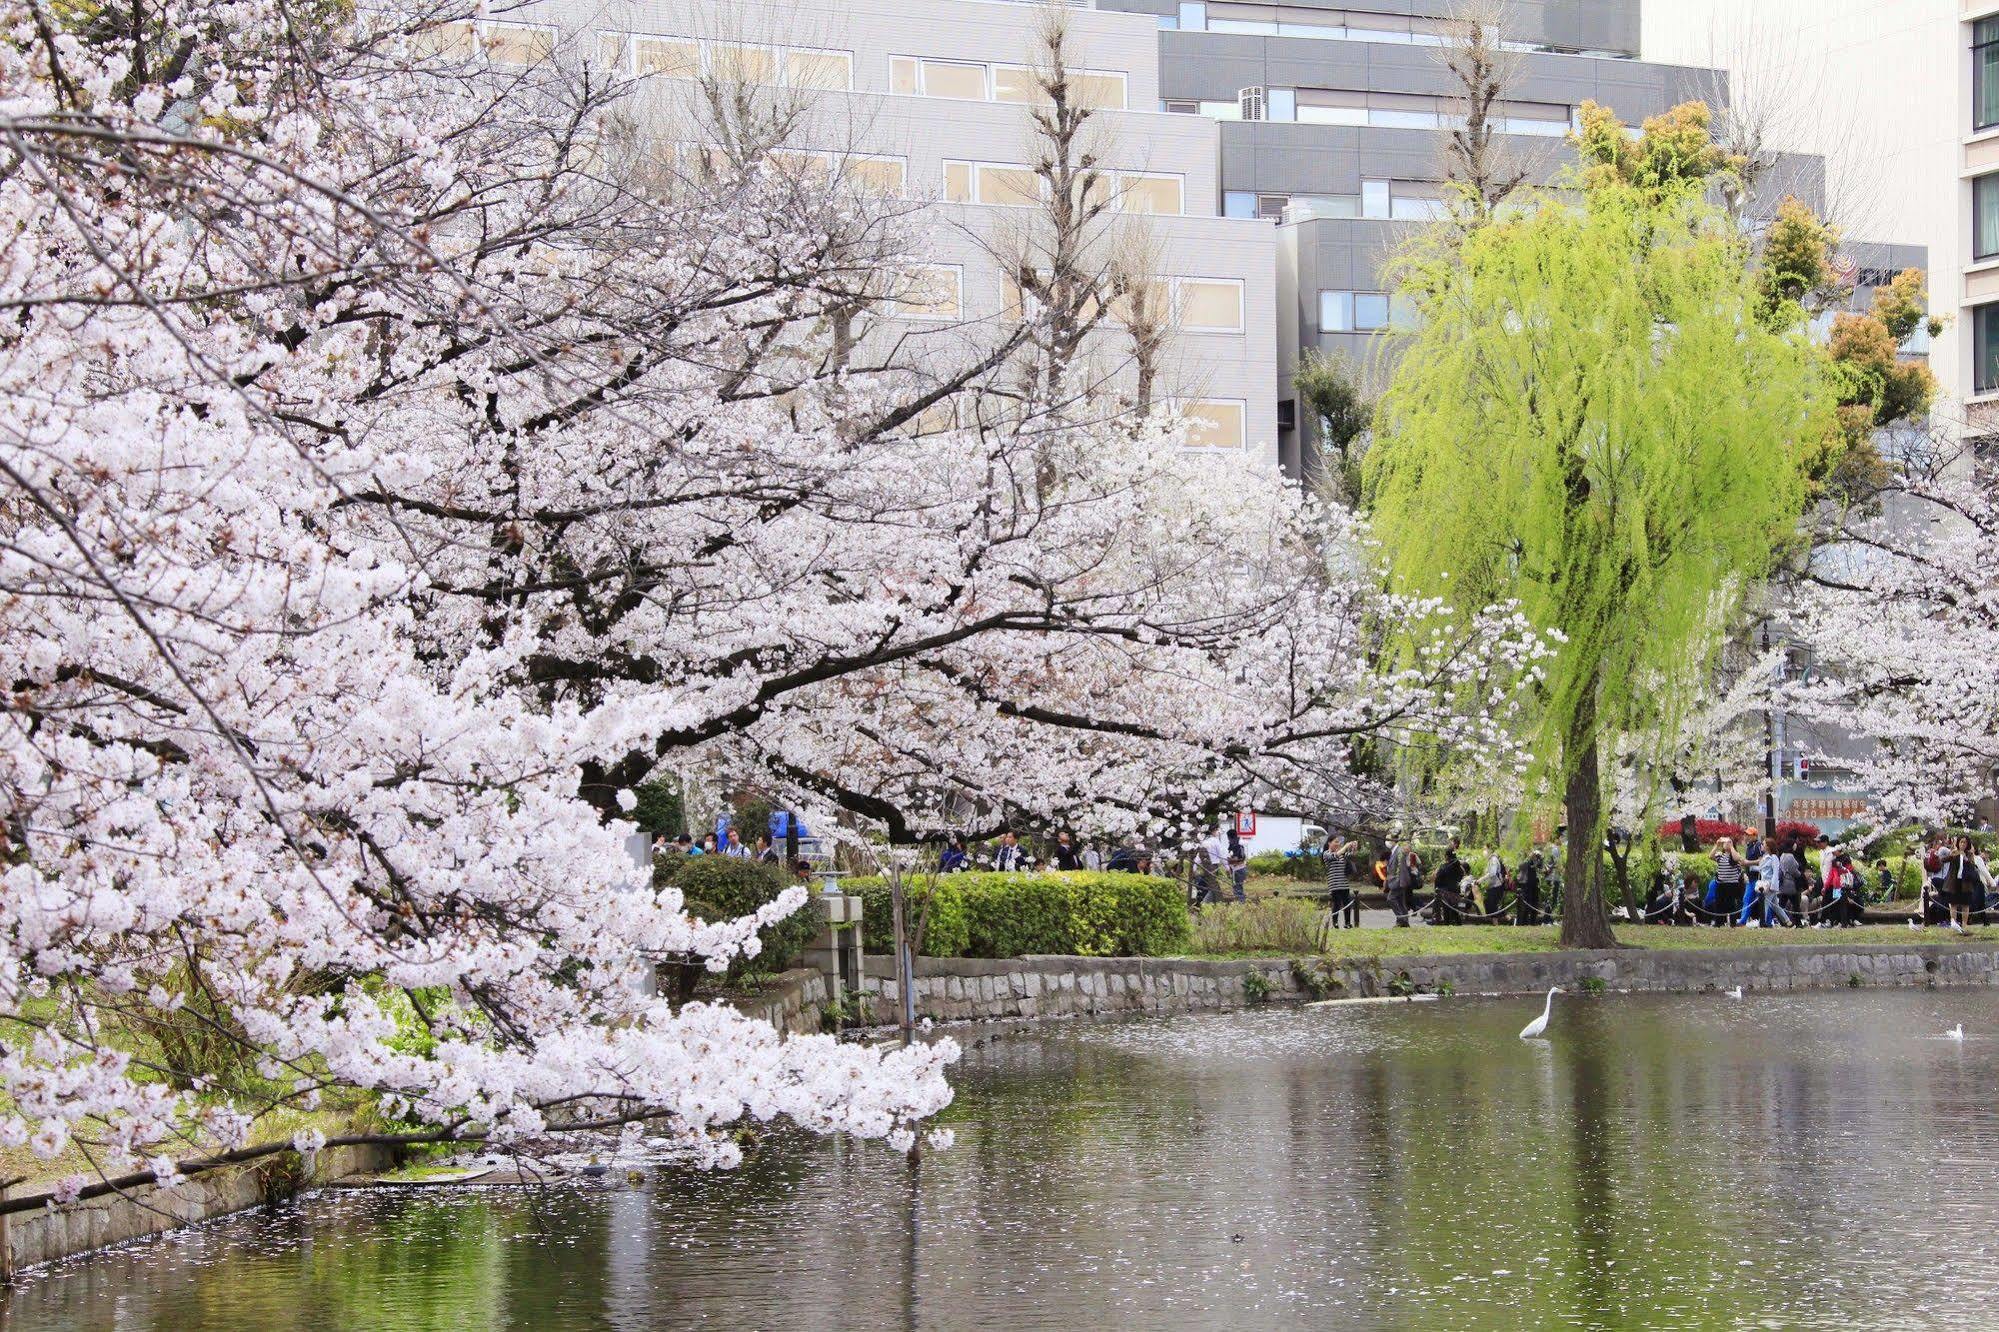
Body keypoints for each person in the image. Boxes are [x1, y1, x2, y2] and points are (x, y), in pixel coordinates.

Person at [1941, 835, 1991, 933]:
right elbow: (1943, 860)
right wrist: (1951, 855)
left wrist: (1966, 859)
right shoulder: (1954, 852)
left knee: (1965, 904)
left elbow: (1973, 867)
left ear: (1967, 844)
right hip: (1954, 882)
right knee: (1953, 904)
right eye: (1961, 842)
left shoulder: (1969, 854)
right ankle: (1954, 923)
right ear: (1958, 843)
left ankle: (1964, 924)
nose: (1963, 844)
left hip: (1966, 882)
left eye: (1965, 842)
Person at [1324, 835, 1360, 929]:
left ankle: (1347, 923)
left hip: (1344, 884)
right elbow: (1335, 856)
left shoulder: (1342, 855)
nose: (1337, 844)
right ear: (1329, 843)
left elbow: (1352, 856)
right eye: (1335, 842)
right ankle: (1335, 923)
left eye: (1338, 842)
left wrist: (1354, 847)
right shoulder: (1326, 854)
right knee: (1336, 904)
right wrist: (1345, 846)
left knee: (1346, 904)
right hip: (1334, 885)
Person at [1386, 833, 1419, 928]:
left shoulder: (1398, 851)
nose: (1386, 842)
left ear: (1393, 840)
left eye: (1388, 839)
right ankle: (1404, 922)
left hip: (1398, 881)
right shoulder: (1395, 851)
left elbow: (1401, 869)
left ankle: (1401, 919)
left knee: (1391, 899)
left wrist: (1399, 881)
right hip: (1398, 881)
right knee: (1400, 902)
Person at [1711, 838, 1746, 924]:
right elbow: (1711, 856)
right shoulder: (1720, 855)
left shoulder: (1735, 854)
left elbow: (1736, 858)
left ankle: (1733, 922)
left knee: (1731, 904)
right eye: (1725, 842)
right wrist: (1717, 845)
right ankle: (1719, 922)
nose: (1726, 844)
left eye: (1728, 842)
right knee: (1719, 903)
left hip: (1732, 884)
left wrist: (1731, 847)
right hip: (1721, 884)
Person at [1431, 846, 1469, 926]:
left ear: (1446, 856)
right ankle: (1457, 923)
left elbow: (1437, 879)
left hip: (1445, 893)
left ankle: (1443, 922)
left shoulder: (1444, 866)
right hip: (1455, 892)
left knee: (1446, 910)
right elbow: (1462, 875)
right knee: (1454, 910)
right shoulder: (1459, 867)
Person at [1195, 826, 1229, 905]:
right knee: (1214, 887)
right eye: (1217, 830)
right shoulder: (1215, 841)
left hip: (1205, 866)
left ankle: (1212, 904)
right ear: (1213, 831)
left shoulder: (1204, 842)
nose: (1218, 832)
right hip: (1213, 867)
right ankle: (1209, 903)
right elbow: (1221, 855)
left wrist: (1194, 868)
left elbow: (1199, 856)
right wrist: (1227, 867)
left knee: (1211, 885)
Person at [1514, 851, 1542, 926]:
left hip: (1535, 885)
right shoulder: (1525, 859)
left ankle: (1533, 922)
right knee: (1526, 904)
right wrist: (1529, 858)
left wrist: (1538, 859)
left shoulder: (1536, 859)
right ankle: (1524, 922)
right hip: (1525, 885)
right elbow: (1520, 867)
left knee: (1534, 904)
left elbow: (1540, 867)